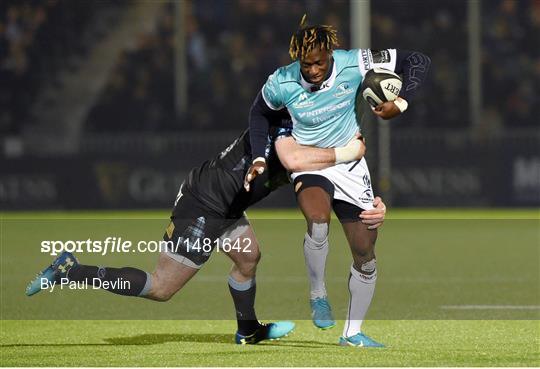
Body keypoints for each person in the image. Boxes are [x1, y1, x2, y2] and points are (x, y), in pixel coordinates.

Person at [26, 118, 387, 345]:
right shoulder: (286, 132)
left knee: (248, 257)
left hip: (225, 205)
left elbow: (336, 181)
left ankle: (247, 330)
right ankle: (70, 270)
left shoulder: (309, 129)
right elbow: (302, 165)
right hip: (204, 207)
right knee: (161, 288)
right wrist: (345, 152)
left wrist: (372, 202)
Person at [245, 15, 430, 347]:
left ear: (330, 53)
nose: (313, 70)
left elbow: (417, 60)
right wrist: (260, 155)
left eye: (318, 62)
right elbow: (259, 112)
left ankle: (353, 333)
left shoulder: (355, 62)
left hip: (350, 164)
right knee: (317, 220)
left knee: (365, 253)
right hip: (310, 161)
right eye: (306, 64)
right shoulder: (282, 81)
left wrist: (400, 103)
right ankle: (318, 295)